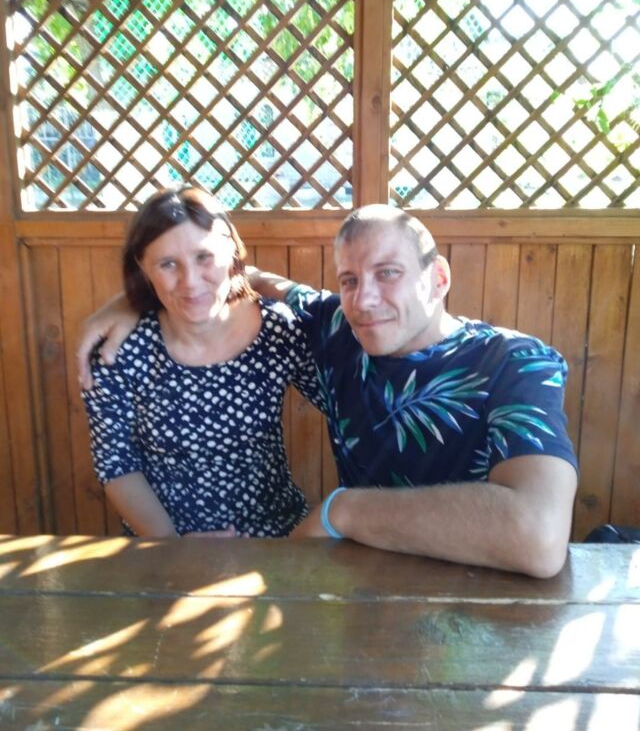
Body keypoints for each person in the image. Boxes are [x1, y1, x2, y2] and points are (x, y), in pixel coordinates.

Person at [78, 204, 578, 577]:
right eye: (349, 280)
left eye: (389, 273)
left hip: (483, 594)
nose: (366, 300)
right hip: (358, 583)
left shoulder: (516, 362)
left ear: (438, 277)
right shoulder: (337, 326)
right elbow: (236, 281)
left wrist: (343, 509)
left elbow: (538, 537)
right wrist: (132, 300)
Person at [81, 187, 323, 539]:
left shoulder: (277, 328)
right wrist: (173, 547)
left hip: (276, 537)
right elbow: (116, 464)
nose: (190, 282)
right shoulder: (119, 350)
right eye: (168, 264)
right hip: (163, 542)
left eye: (204, 257)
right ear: (143, 267)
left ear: (231, 251)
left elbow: (344, 405)